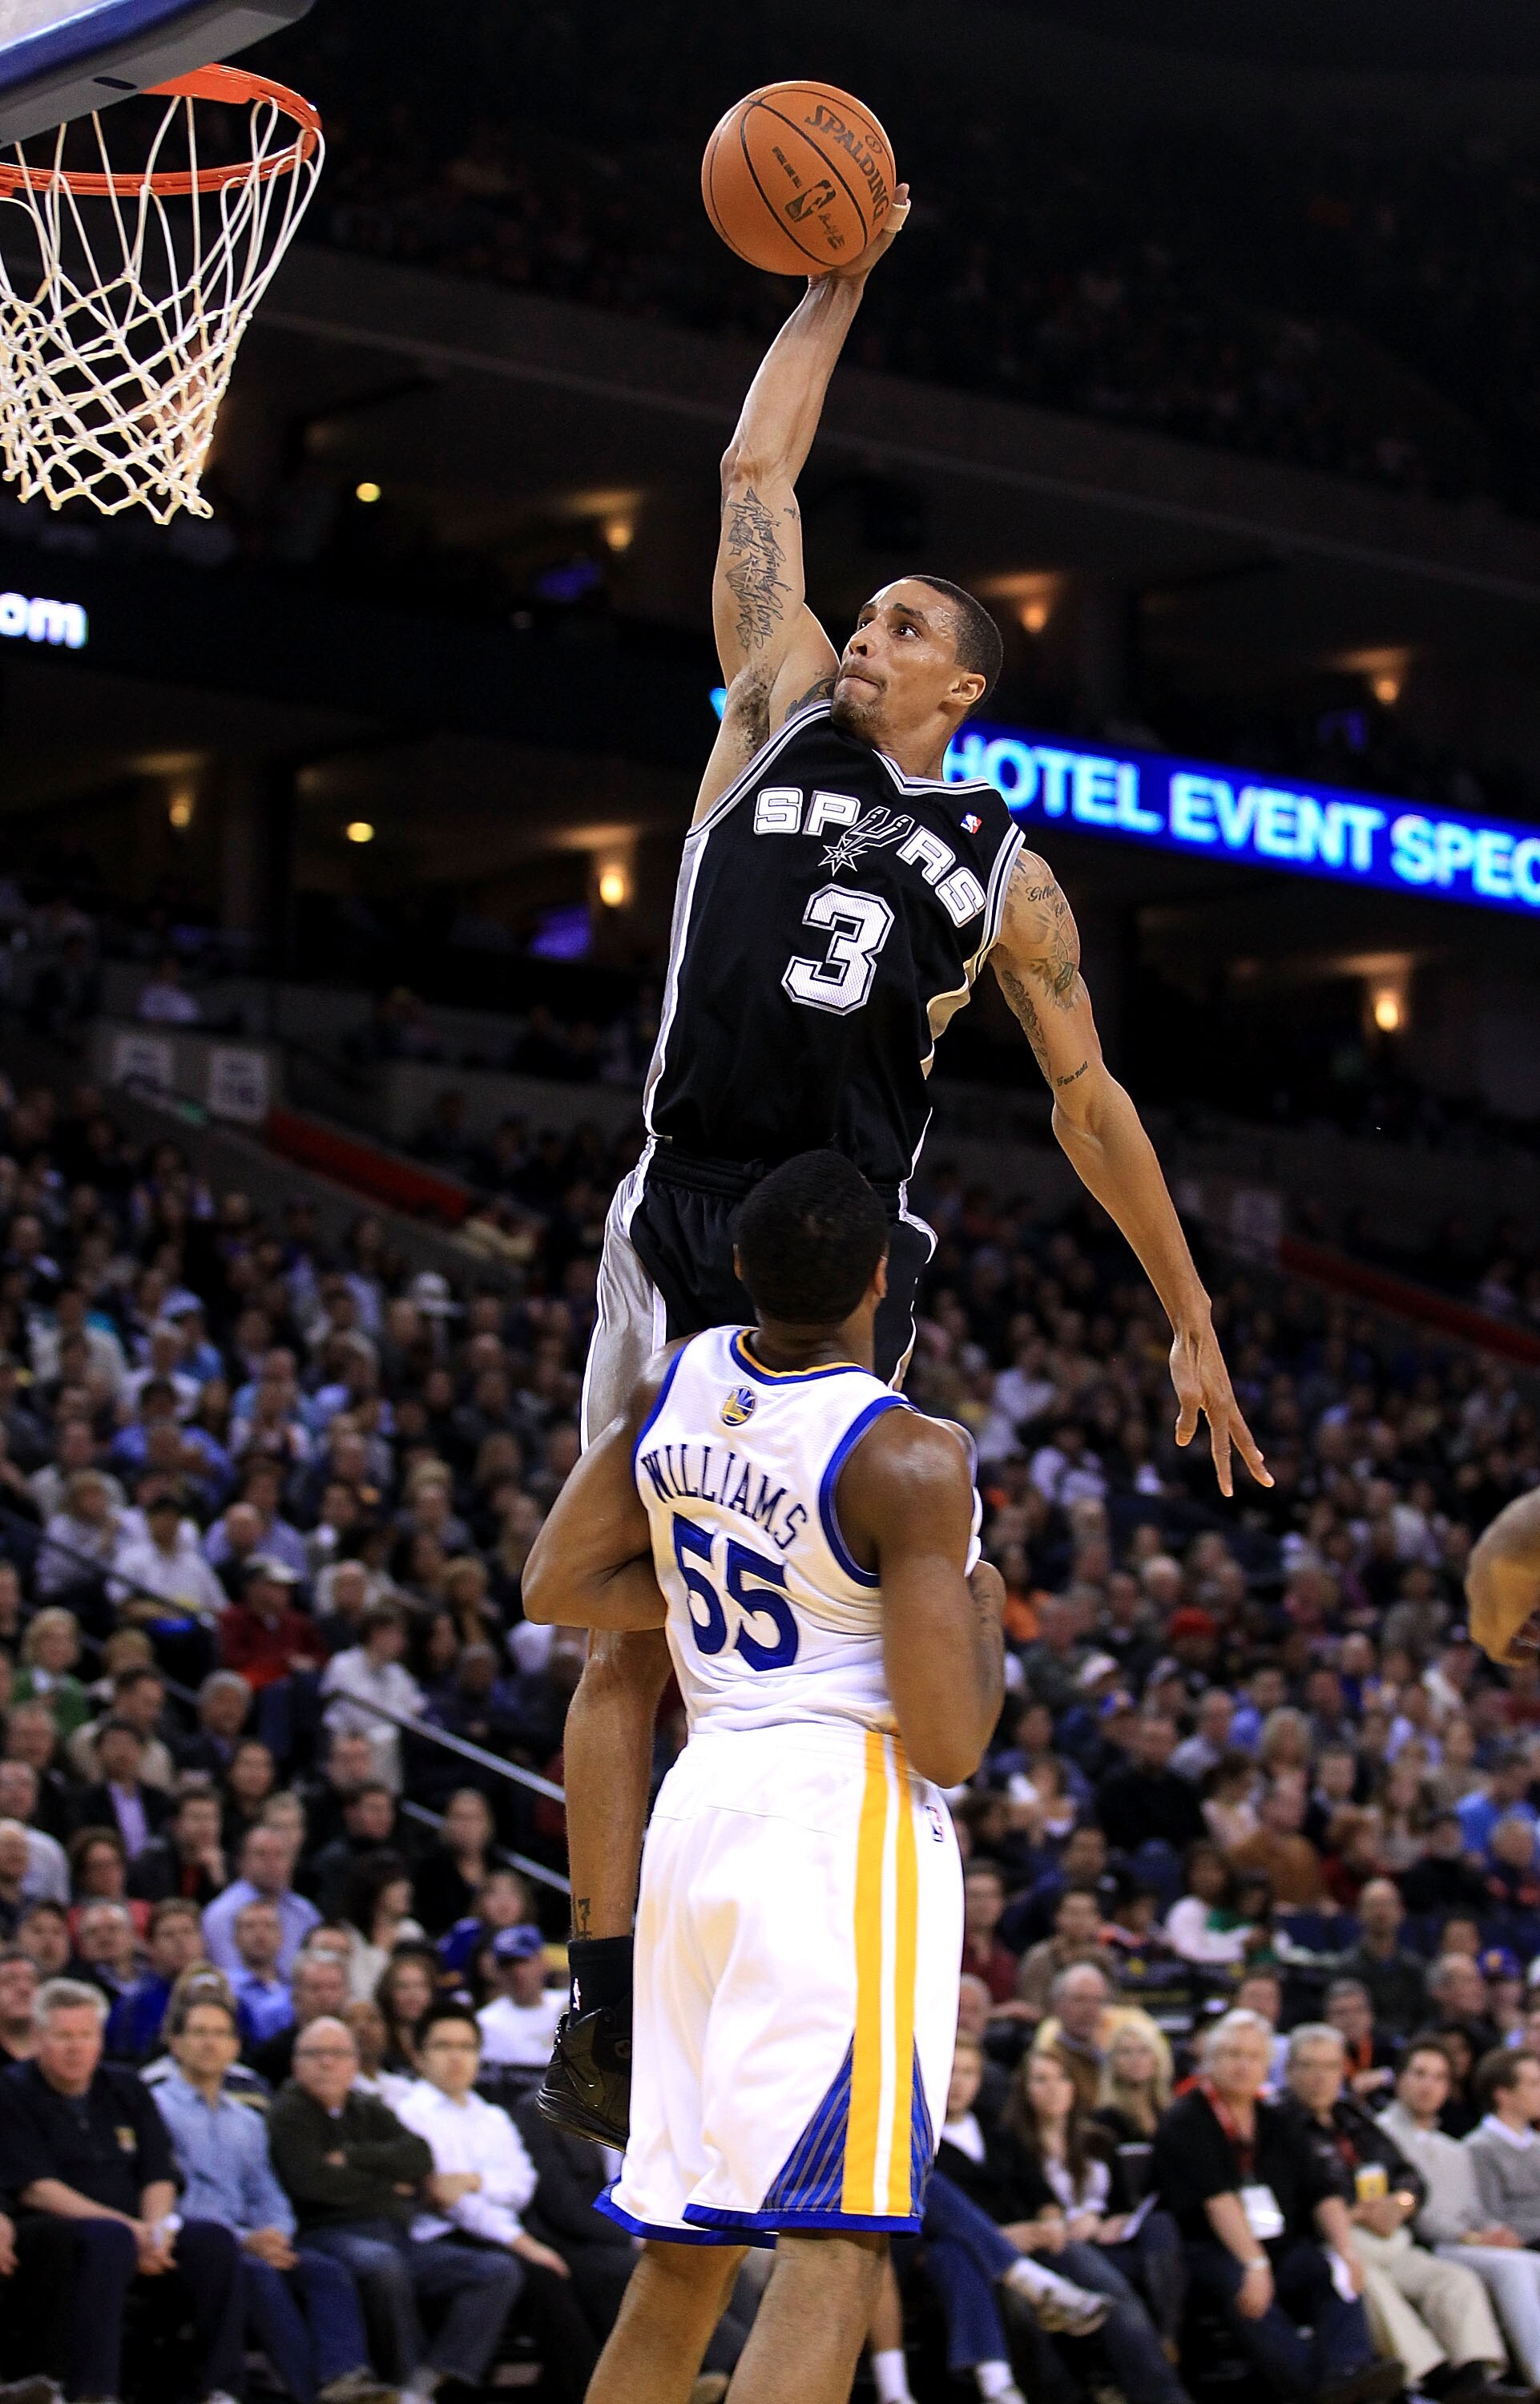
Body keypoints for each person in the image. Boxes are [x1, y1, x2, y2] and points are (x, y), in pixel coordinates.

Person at [542, 193, 1268, 2152]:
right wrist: (832, 286)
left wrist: (1188, 1313)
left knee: (822, 1641)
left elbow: (1092, 1099)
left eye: (900, 632)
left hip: (841, 1271)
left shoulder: (1008, 871)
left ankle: (816, 1956)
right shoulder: (766, 709)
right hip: (681, 1205)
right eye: (856, 620)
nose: (859, 637)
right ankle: (599, 1992)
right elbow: (750, 462)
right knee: (618, 1618)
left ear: (964, 688)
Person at [522, 1149, 1011, 2404]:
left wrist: (691, 1595)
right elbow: (951, 1742)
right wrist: (986, 1611)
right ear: (882, 1280)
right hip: (834, 1829)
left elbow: (553, 1585)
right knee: (837, 2242)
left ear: (739, 1267)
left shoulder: (676, 1383)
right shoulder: (909, 1458)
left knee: (685, 2249)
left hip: (700, 1809)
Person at [0, 1975, 245, 2404]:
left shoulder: (125, 2085)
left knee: (214, 2241)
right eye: (63, 2037)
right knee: (111, 2241)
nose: (75, 2048)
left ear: (100, 2037)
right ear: (39, 2038)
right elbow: (37, 2188)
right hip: (60, 2227)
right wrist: (130, 2228)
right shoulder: (13, 2089)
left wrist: (156, 2230)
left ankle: (220, 2389)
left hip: (135, 2225)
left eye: (85, 2035)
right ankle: (96, 2393)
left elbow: (158, 2172)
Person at [151, 1984, 389, 2404]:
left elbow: (266, 2189)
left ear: (235, 2046)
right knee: (258, 2274)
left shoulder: (246, 2118)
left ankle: (345, 2381)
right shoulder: (156, 2107)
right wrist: (246, 2240)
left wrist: (275, 2232)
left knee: (326, 2271)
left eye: (221, 2033)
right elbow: (166, 2194)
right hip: (195, 2244)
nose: (210, 2042)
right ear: (176, 2043)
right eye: (199, 2032)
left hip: (256, 2240)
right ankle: (310, 2396)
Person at [269, 2014, 522, 2404]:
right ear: (295, 2063)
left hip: (396, 2233)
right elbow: (311, 2185)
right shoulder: (288, 2112)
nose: (327, 2063)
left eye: (337, 2054)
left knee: (496, 2271)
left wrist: (352, 2157)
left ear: (355, 2063)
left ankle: (433, 2377)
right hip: (327, 2235)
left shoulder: (366, 2106)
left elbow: (419, 2157)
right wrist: (385, 2184)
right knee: (383, 2264)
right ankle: (403, 2381)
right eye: (315, 2054)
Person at [1151, 2008, 1393, 2404]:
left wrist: (1346, 2250)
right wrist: (1255, 2264)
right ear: (1208, 2061)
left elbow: (1322, 2189)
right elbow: (1218, 2200)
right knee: (1240, 2284)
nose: (1242, 2065)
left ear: (1267, 2064)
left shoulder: (1275, 2118)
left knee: (1335, 2272)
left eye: (1252, 2056)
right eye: (1231, 2054)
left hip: (1278, 2241)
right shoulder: (1187, 2118)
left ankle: (1347, 2373)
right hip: (1210, 2247)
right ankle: (1311, 2391)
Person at [1282, 2021, 1516, 2401]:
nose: (1321, 2077)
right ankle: (1433, 2378)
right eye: (1310, 2066)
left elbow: (1409, 2178)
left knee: (1453, 2280)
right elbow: (1294, 2197)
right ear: (1290, 2070)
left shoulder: (1352, 2118)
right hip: (1335, 2240)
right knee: (1366, 2282)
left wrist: (1400, 2204)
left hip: (1391, 2236)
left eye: (1331, 2067)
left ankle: (1476, 2377)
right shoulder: (1280, 2124)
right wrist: (1356, 2214)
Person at [394, 2003, 598, 2402]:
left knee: (577, 2274)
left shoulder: (492, 2117)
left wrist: (472, 2180)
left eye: (467, 2047)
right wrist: (520, 2241)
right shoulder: (408, 2114)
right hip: (439, 2237)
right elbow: (450, 2202)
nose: (457, 2057)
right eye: (443, 2046)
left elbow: (521, 2184)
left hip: (500, 2231)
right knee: (541, 2278)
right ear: (418, 2056)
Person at [1005, 2045, 1191, 2379]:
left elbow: (1123, 2203)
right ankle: (1160, 2383)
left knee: (1161, 2225)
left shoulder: (1100, 2139)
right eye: (1040, 2080)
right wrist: (1067, 2224)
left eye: (1062, 2079)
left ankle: (1167, 2334)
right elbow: (1027, 2208)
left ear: (1074, 2086)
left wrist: (1110, 2219)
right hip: (1058, 2247)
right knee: (1113, 2282)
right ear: (1023, 2089)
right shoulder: (1013, 2146)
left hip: (1105, 2239)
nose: (1053, 2089)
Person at [1381, 2039, 1540, 2385]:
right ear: (1400, 2079)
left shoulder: (1453, 2149)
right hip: (1430, 2244)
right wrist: (1471, 2237)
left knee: (1530, 2262)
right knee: (1512, 2267)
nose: (1429, 2086)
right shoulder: (1381, 2135)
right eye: (1420, 2074)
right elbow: (1416, 2211)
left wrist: (1494, 2231)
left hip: (1471, 2240)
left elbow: (1476, 2209)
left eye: (1439, 2078)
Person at [202, 1824, 320, 1976]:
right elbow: (229, 1976)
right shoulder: (221, 1914)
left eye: (279, 1854)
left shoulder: (305, 1912)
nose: (271, 1862)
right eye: (261, 1854)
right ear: (241, 1862)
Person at [1334, 1880, 1429, 2039]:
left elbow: (1425, 2016)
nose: (1381, 1912)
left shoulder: (1416, 1968)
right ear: (1359, 1913)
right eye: (1374, 1905)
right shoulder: (1346, 1968)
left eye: (1387, 1904)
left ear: (1401, 1912)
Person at [1465, 2051, 1540, 2242]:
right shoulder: (1480, 2148)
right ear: (1503, 2095)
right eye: (1534, 2084)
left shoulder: (1536, 2144)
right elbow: (1492, 2216)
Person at [476, 1924, 562, 2068]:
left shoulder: (569, 2004)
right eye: (507, 1965)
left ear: (543, 1963)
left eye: (523, 1961)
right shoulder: (485, 2022)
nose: (517, 1972)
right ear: (496, 1972)